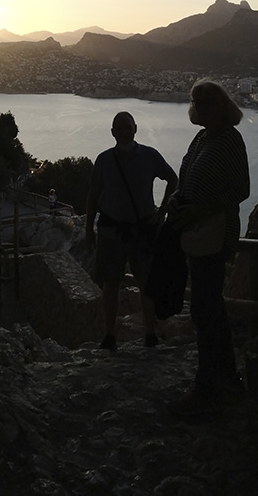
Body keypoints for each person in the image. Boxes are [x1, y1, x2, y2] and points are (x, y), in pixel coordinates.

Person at [166, 80, 250, 416]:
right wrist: (176, 198)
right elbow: (187, 178)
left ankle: (207, 387)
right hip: (197, 233)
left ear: (223, 105)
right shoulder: (201, 138)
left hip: (215, 235)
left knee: (204, 309)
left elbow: (241, 190)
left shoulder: (230, 140)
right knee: (211, 308)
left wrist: (203, 210)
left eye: (209, 101)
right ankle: (225, 377)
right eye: (197, 101)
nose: (201, 107)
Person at [86, 111, 178, 350]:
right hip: (111, 231)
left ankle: (149, 333)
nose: (125, 132)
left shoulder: (149, 155)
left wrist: (162, 212)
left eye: (128, 127)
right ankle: (109, 335)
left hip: (141, 230)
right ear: (113, 132)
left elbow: (173, 179)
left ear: (135, 129)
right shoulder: (104, 160)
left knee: (145, 283)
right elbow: (93, 196)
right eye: (120, 128)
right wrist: (88, 228)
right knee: (111, 284)